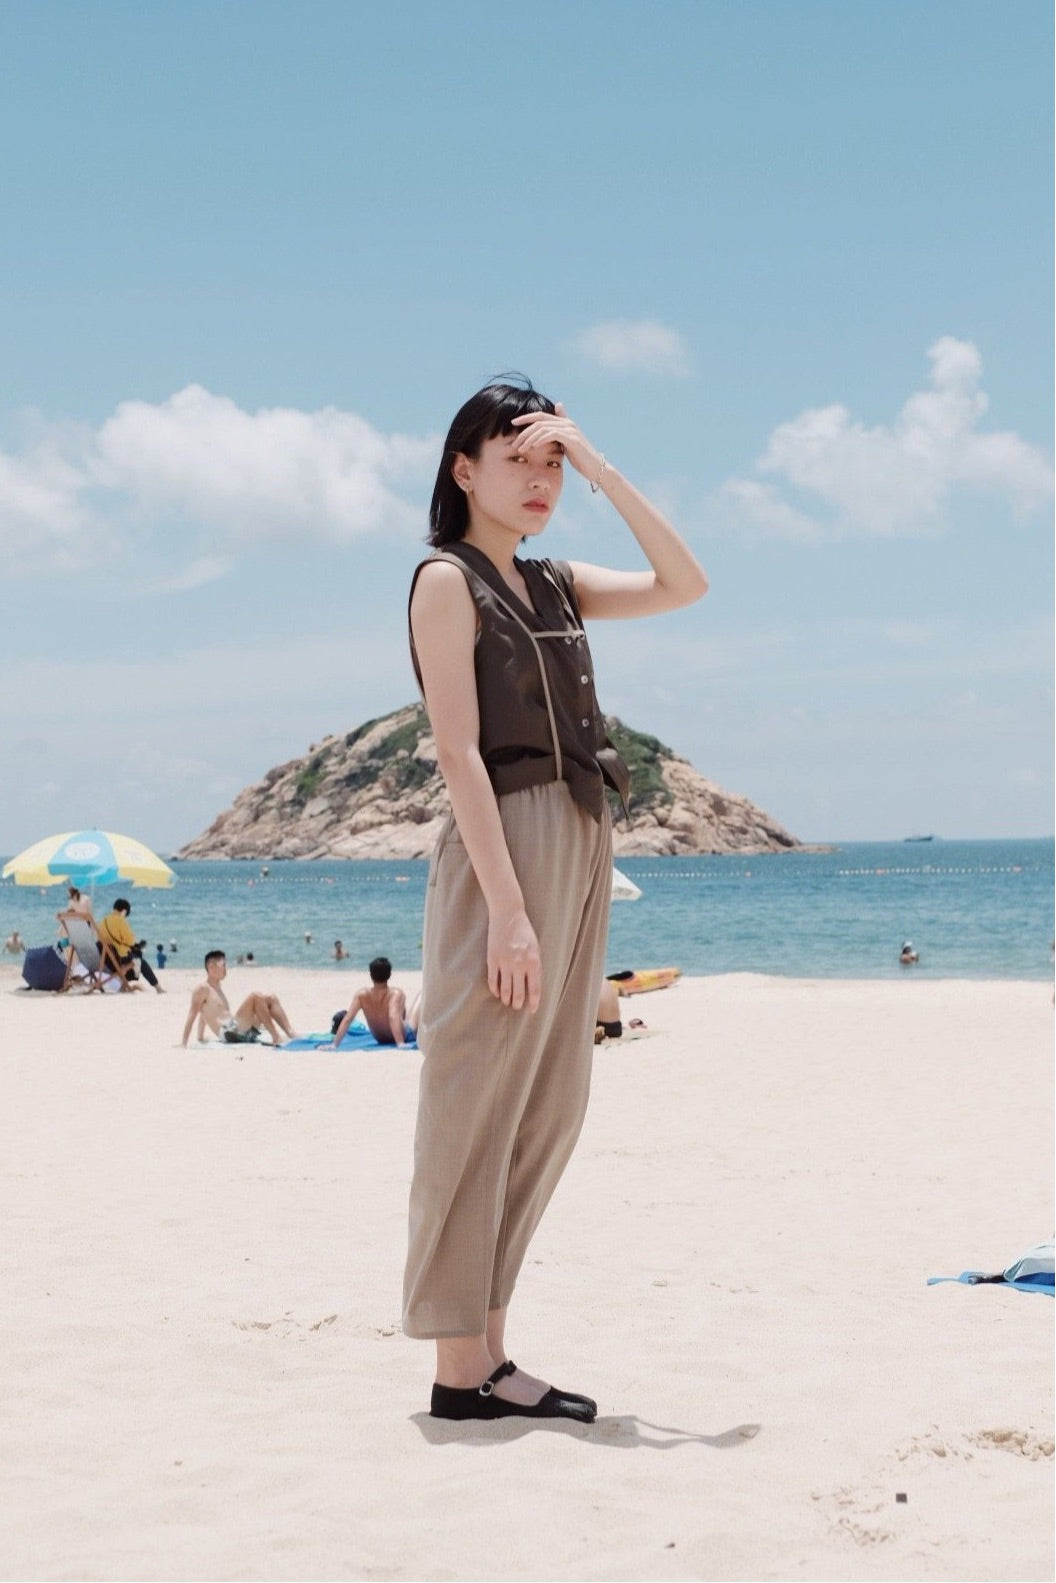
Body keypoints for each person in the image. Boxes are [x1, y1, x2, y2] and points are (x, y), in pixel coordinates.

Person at [404, 379, 707, 1423]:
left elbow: (685, 582)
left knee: (549, 1102)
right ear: (464, 470)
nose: (540, 480)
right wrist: (508, 909)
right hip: (505, 844)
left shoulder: (558, 582)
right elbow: (457, 751)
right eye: (517, 458)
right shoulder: (446, 580)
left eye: (552, 463)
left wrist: (603, 466)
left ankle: (488, 1353)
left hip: (581, 830)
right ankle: (459, 1365)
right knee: (474, 1095)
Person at [181, 951, 297, 1047]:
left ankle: (291, 1033)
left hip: (240, 1031)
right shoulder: (202, 988)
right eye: (223, 965)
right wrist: (184, 1043)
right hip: (229, 1033)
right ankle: (276, 1037)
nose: (226, 969)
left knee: (271, 998)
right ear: (211, 967)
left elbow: (204, 1014)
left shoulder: (217, 989)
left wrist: (200, 1037)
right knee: (255, 996)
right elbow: (192, 1015)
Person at [327, 955, 419, 1049]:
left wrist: (334, 1044)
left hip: (380, 1039)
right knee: (420, 995)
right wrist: (400, 1042)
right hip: (404, 1035)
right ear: (390, 975)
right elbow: (392, 1017)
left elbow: (348, 1019)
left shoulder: (361, 994)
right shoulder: (396, 993)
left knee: (400, 1009)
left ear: (371, 975)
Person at [97, 899, 164, 992]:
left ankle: (123, 987)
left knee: (133, 957)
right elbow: (130, 941)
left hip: (105, 959)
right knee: (141, 962)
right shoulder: (120, 920)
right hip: (118, 959)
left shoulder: (104, 921)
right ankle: (158, 988)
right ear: (124, 911)